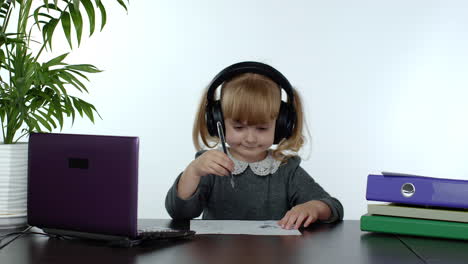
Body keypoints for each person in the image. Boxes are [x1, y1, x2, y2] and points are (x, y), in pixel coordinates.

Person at [165, 61, 343, 229]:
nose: (250, 138)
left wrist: (313, 207)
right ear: (217, 121)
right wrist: (193, 171)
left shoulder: (286, 169)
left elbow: (333, 207)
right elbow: (179, 213)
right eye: (239, 127)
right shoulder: (210, 166)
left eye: (262, 128)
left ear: (281, 126)